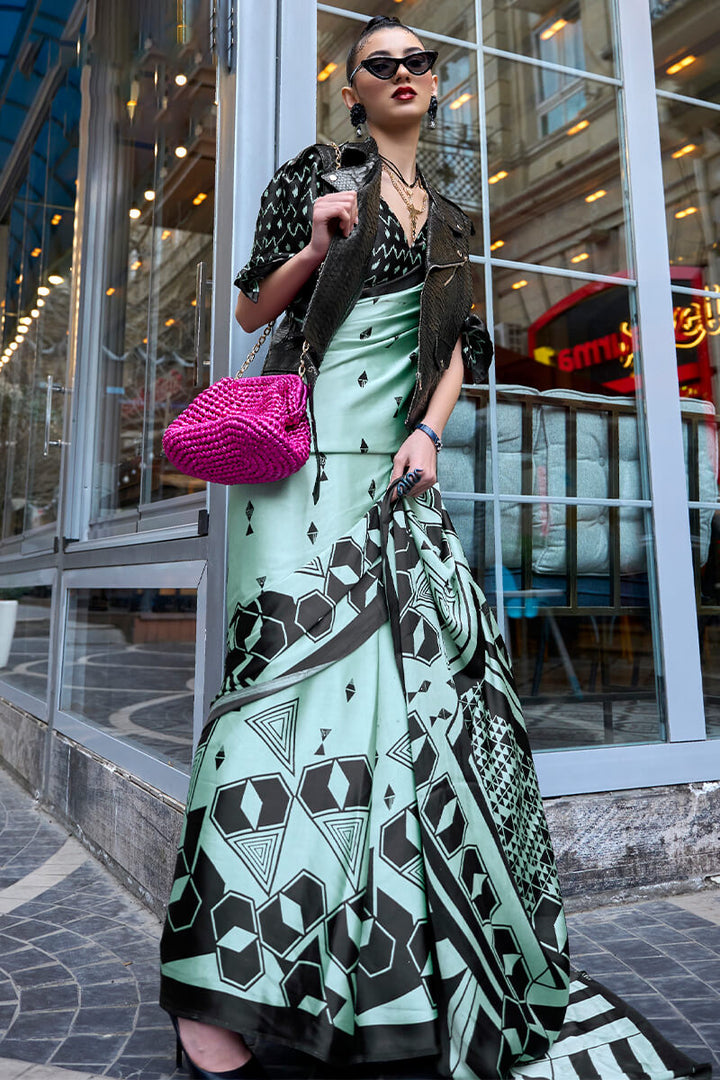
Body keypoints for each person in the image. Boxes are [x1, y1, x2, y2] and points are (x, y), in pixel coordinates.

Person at [158, 15, 569, 1080]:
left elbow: (464, 346)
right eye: (378, 63)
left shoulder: (459, 214)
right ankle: (216, 991)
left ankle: (373, 980)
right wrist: (316, 243)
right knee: (273, 714)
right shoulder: (314, 176)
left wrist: (433, 432)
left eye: (418, 61)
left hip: (397, 481)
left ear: (436, 85)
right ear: (354, 91)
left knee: (415, 715)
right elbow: (253, 309)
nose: (401, 74)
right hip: (299, 481)